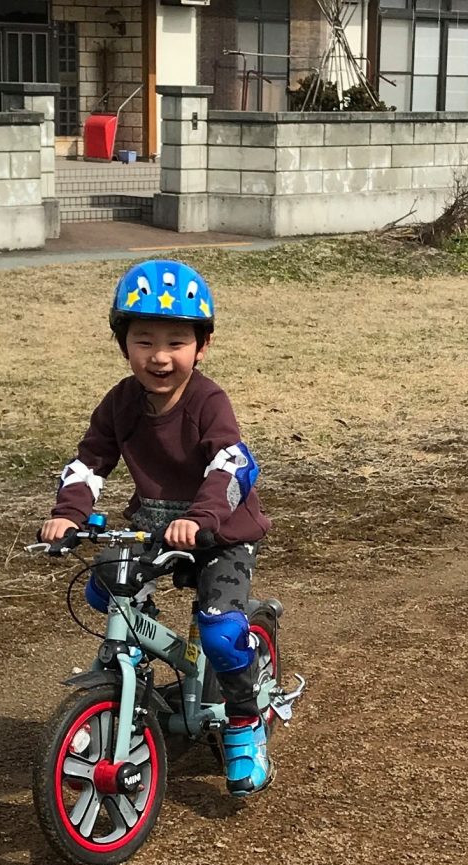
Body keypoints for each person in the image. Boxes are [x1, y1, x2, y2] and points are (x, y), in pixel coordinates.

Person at [38, 259, 274, 797]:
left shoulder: (208, 402)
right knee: (105, 588)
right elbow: (89, 463)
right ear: (124, 345)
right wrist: (68, 514)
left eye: (176, 341)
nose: (160, 356)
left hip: (220, 532)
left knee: (219, 630)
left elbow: (233, 463)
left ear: (202, 346)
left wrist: (202, 517)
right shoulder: (119, 403)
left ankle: (243, 722)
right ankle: (131, 677)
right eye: (144, 340)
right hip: (151, 530)